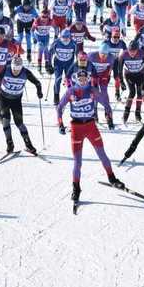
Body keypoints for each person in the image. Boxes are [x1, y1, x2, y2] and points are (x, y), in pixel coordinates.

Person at [56, 69, 124, 206]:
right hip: (76, 128)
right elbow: (59, 107)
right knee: (77, 162)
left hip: (91, 126)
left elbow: (106, 104)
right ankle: (76, 188)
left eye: (84, 79)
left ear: (88, 79)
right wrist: (60, 124)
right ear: (76, 79)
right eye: (80, 79)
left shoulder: (92, 90)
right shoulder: (71, 91)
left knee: (102, 154)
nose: (82, 81)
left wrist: (109, 118)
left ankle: (112, 178)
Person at [0, 55, 42, 155]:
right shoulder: (6, 70)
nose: (16, 71)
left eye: (18, 69)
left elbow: (37, 82)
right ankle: (10, 143)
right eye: (14, 69)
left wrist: (39, 91)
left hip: (16, 100)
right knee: (6, 119)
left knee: (19, 123)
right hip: (3, 98)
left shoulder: (25, 72)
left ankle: (28, 144)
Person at [117, 40, 144, 123]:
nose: (132, 53)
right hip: (129, 75)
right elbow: (119, 69)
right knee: (132, 92)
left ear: (137, 50)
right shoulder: (123, 55)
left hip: (140, 75)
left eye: (134, 51)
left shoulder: (142, 54)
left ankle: (137, 113)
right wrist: (121, 81)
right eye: (130, 51)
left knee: (139, 92)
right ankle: (126, 113)